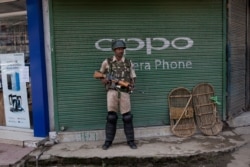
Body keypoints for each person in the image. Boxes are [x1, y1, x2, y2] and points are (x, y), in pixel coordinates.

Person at [98, 39, 137, 150]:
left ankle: (131, 141)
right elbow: (100, 74)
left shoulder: (129, 62)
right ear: (114, 50)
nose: (121, 51)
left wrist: (131, 85)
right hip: (112, 92)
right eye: (118, 49)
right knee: (111, 117)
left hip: (124, 92)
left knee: (127, 117)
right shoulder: (107, 62)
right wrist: (104, 80)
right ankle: (108, 142)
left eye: (122, 49)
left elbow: (133, 77)